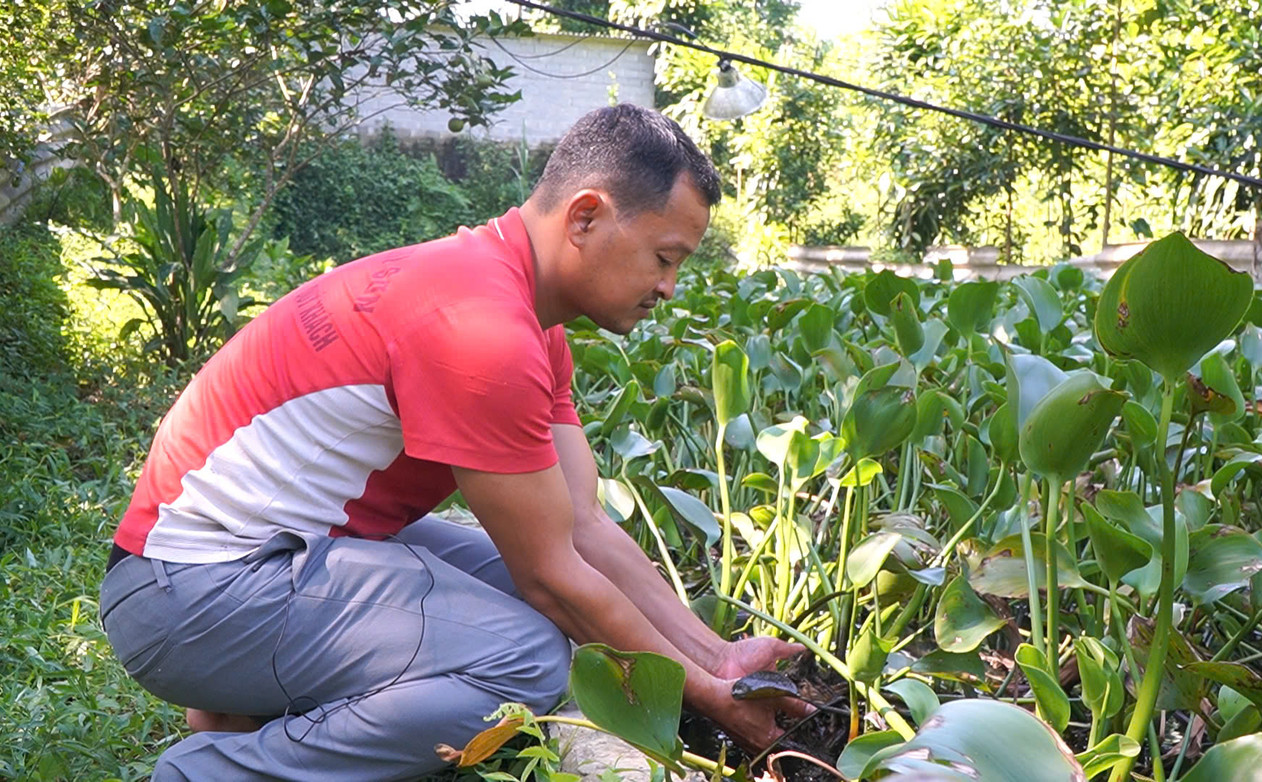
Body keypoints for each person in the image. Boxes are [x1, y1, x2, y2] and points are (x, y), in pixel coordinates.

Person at [100, 103, 807, 780]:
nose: (670, 287)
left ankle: (245, 710)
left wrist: (720, 661)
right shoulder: (480, 332)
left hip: (256, 566)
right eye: (663, 256)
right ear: (586, 216)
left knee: (524, 595)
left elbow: (582, 527)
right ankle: (222, 770)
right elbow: (552, 577)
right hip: (191, 597)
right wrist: (705, 700)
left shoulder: (521, 314)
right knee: (526, 658)